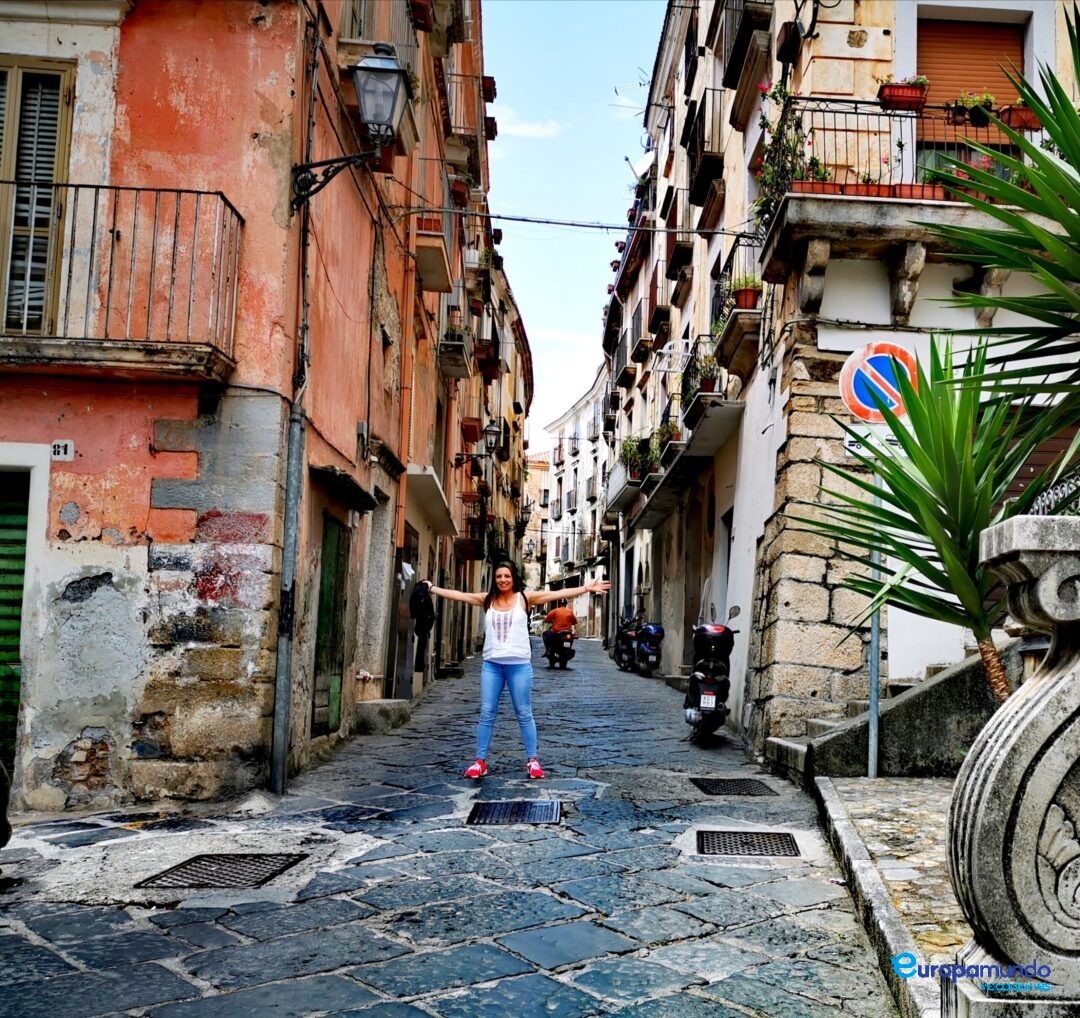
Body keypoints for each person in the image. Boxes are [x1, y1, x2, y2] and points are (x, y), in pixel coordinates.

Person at [421, 561, 610, 780]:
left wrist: (586, 588)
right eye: (499, 576)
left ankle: (533, 761)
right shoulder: (487, 599)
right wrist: (431, 588)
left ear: (513, 579)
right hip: (492, 666)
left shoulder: (525, 598)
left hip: (519, 666)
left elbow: (557, 592)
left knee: (524, 712)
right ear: (495, 579)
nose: (503, 580)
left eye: (507, 576)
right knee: (486, 713)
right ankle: (480, 762)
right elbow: (459, 595)